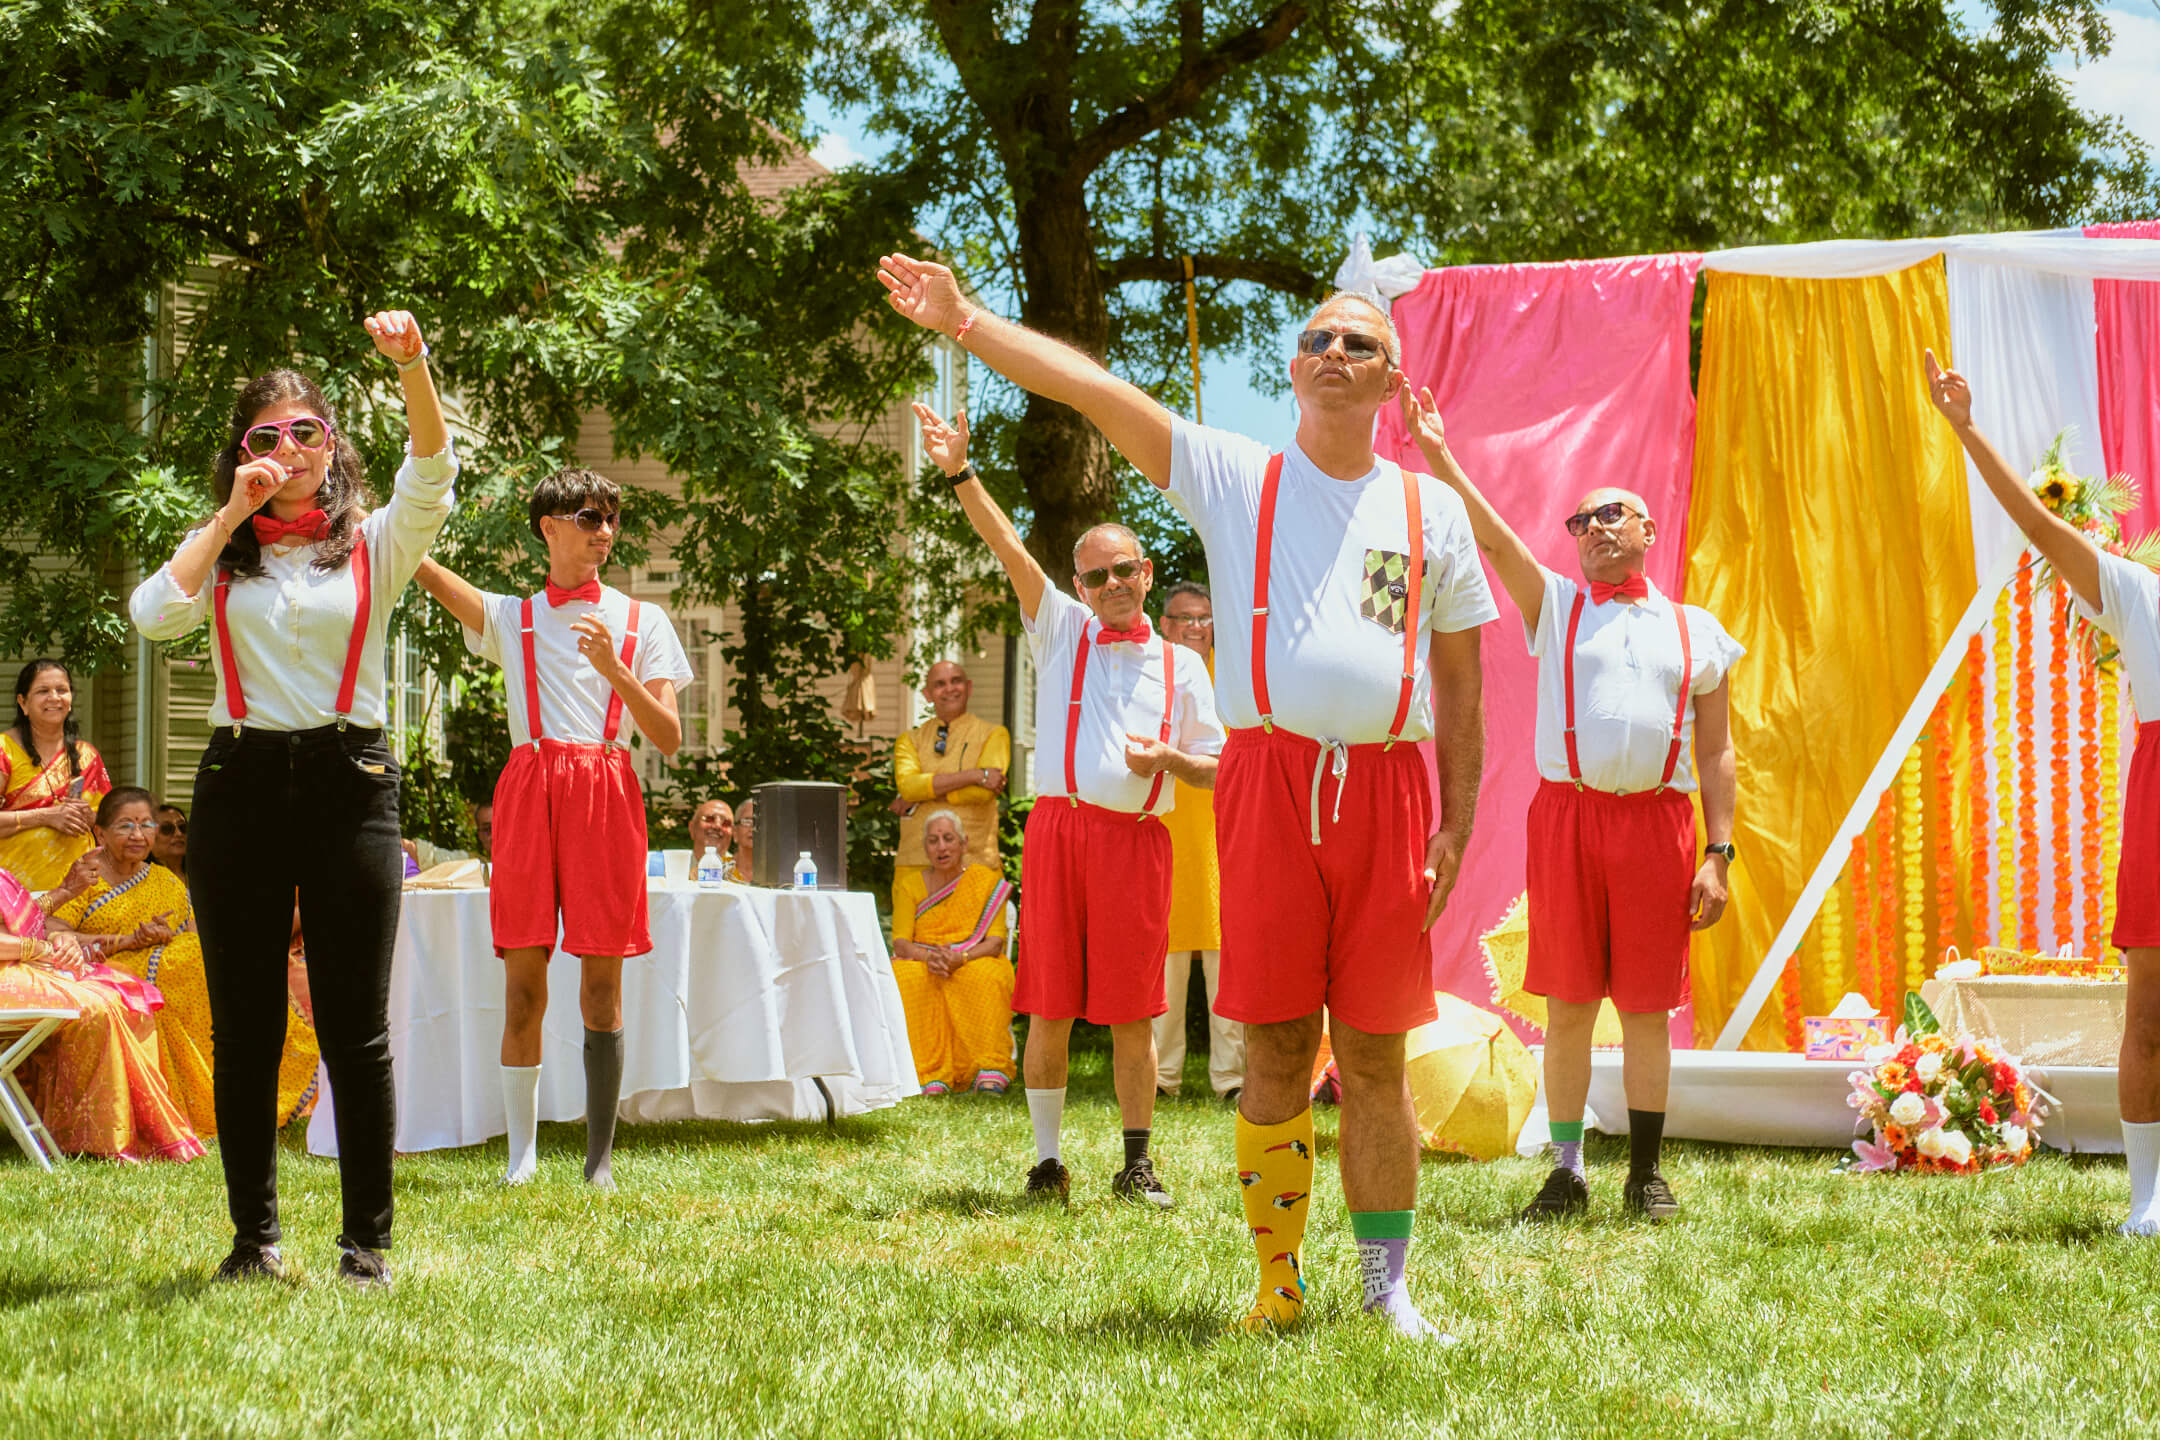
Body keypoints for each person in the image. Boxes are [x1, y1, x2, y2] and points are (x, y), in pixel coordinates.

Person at [882, 256, 1493, 1336]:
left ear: (1394, 381)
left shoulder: (1431, 510)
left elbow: (1460, 682)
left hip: (1391, 788)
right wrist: (965, 321)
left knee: (1375, 1054)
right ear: (1292, 368)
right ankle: (1277, 1283)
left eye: (1362, 343)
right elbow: (1091, 391)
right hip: (1265, 778)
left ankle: (1387, 1288)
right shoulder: (1233, 473)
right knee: (1271, 1041)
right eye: (1318, 339)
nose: (1336, 353)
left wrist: (1457, 817)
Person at [129, 309, 453, 1287]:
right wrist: (227, 515)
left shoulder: (378, 547)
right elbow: (152, 617)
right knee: (249, 1029)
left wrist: (414, 367)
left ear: (332, 446)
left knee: (356, 1026)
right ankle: (253, 1243)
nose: (287, 451)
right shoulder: (222, 555)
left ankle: (366, 1248)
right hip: (242, 786)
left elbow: (432, 471)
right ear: (242, 455)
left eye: (304, 432)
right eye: (265, 437)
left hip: (353, 786)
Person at [1400, 388, 1742, 1224]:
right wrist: (1440, 454)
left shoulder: (1698, 630)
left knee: (1648, 1006)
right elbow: (1490, 534)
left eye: (1610, 515)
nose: (1592, 529)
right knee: (1569, 1005)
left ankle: (1646, 1174)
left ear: (1648, 531)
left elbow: (1718, 752)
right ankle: (1565, 1170)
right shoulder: (1553, 604)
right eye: (1580, 522)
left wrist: (1718, 852)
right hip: (1567, 820)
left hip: (1660, 825)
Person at [911, 399, 1226, 1210]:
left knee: (1132, 1005)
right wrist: (958, 470)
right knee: (1047, 998)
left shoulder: (1184, 668)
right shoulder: (1060, 630)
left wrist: (1170, 759)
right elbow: (1008, 544)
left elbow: (1219, 770)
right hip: (1056, 831)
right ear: (1080, 585)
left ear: (1147, 573)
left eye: (1126, 570)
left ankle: (1136, 1162)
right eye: (1096, 575)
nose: (1113, 585)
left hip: (1135, 839)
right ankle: (1047, 1161)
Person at [1925, 350, 2160, 1235]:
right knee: (2151, 1011)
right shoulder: (2139, 595)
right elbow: (2037, 526)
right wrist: (1966, 428)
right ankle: (2147, 1200)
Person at [411, 466, 692, 1191]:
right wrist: (378, 526)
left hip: (606, 786)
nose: (604, 532)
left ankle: (598, 1162)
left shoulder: (640, 621)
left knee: (603, 986)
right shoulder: (514, 617)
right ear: (550, 526)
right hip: (531, 787)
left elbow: (667, 735)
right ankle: (522, 1158)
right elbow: (422, 568)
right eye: (589, 517)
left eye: (610, 519)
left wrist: (615, 669)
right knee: (524, 987)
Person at [46, 788, 323, 1138]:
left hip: (174, 963)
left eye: (147, 825)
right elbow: (53, 929)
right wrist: (126, 941)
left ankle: (249, 1090)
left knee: (217, 961)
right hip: (112, 968)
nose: (138, 835)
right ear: (99, 833)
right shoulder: (86, 876)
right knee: (195, 964)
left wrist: (164, 937)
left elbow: (193, 934)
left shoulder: (163, 880)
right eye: (125, 826)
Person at [0, 865, 204, 1162]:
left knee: (124, 993)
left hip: (19, 966)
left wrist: (64, 907)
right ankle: (97, 1137)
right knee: (97, 1008)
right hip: (12, 973)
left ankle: (138, 1129)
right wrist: (42, 949)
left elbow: (16, 921)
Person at [1152, 581, 1245, 1103]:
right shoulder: (1153, 675)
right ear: (1164, 624)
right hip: (1164, 832)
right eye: (1184, 618)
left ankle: (1230, 1079)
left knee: (1224, 963)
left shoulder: (1232, 681)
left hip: (1222, 835)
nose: (1194, 627)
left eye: (1204, 619)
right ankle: (1161, 1078)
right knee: (1163, 966)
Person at [891, 809, 1015, 1096]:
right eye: (933, 840)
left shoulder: (983, 882)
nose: (941, 847)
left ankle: (988, 1068)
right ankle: (928, 1072)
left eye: (948, 838)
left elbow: (994, 942)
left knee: (986, 975)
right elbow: (901, 942)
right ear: (925, 848)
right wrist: (929, 958)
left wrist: (963, 957)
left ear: (963, 842)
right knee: (904, 976)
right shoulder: (911, 886)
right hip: (924, 958)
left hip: (973, 956)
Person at [891, 661, 1010, 911]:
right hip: (915, 862)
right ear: (927, 694)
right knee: (913, 947)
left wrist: (925, 794)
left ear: (969, 687)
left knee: (977, 948)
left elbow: (982, 791)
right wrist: (976, 774)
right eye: (939, 684)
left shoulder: (994, 734)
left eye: (956, 681)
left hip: (976, 860)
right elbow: (909, 787)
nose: (949, 689)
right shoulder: (909, 740)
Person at [1, 660, 114, 890]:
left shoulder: (86, 756)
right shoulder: (4, 750)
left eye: (62, 690)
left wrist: (89, 817)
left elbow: (111, 825)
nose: (54, 697)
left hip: (82, 891)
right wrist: (46, 816)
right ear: (23, 702)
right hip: (15, 896)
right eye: (43, 691)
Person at [688, 798, 734, 864]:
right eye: (709, 819)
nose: (717, 826)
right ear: (692, 828)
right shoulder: (672, 867)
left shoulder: (741, 871)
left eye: (726, 823)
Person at [151, 804, 189, 881]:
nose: (178, 833)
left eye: (182, 826)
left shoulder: (203, 873)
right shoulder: (139, 879)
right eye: (167, 828)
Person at [728, 798, 758, 883]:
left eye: (760, 822)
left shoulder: (782, 874)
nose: (753, 828)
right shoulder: (716, 870)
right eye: (747, 821)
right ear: (734, 832)